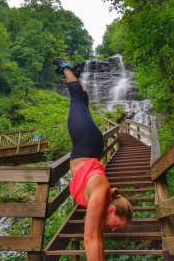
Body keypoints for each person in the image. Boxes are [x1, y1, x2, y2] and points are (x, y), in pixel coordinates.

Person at [53, 57, 133, 261]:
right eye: (117, 224)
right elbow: (89, 239)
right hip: (87, 142)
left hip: (88, 146)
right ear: (113, 210)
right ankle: (66, 68)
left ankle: (75, 75)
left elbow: (97, 238)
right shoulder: (101, 191)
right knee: (77, 100)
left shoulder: (103, 201)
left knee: (82, 102)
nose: (113, 228)